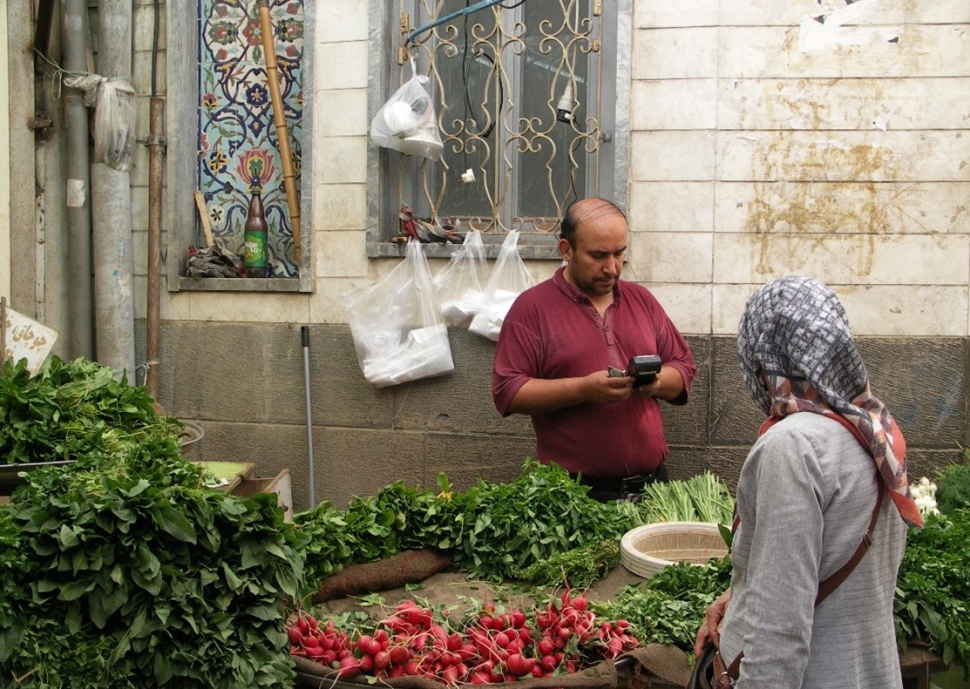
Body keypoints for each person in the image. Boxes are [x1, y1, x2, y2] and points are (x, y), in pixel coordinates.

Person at [693, 276, 923, 689]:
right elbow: (828, 565)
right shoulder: (874, 431)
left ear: (764, 356)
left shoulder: (792, 446)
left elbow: (780, 635)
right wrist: (739, 597)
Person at [491, 198, 697, 502]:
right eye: (598, 256)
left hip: (653, 488)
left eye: (619, 253)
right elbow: (508, 391)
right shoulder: (532, 308)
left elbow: (683, 367)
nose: (612, 268)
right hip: (574, 496)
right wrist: (585, 389)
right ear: (566, 249)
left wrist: (655, 383)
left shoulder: (641, 299)